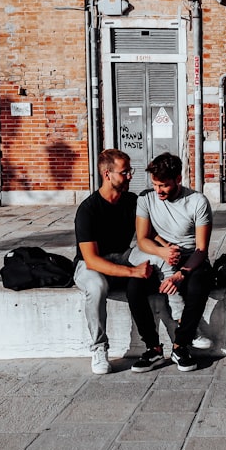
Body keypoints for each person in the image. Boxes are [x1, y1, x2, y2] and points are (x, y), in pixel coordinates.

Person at [126, 152, 213, 373]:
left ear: (178, 179)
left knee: (197, 285)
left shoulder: (197, 202)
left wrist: (180, 274)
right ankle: (153, 349)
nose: (158, 191)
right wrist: (163, 252)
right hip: (160, 257)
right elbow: (142, 239)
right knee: (134, 288)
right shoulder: (145, 199)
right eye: (155, 185)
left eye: (164, 185)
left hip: (191, 260)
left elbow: (202, 249)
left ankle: (180, 346)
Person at [74, 149, 152, 374]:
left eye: (130, 171)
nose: (130, 176)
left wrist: (166, 252)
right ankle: (99, 348)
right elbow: (91, 259)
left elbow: (146, 236)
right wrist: (132, 272)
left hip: (122, 256)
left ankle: (180, 331)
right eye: (125, 172)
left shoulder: (131, 201)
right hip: (89, 265)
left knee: (156, 262)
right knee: (97, 286)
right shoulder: (88, 210)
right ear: (107, 174)